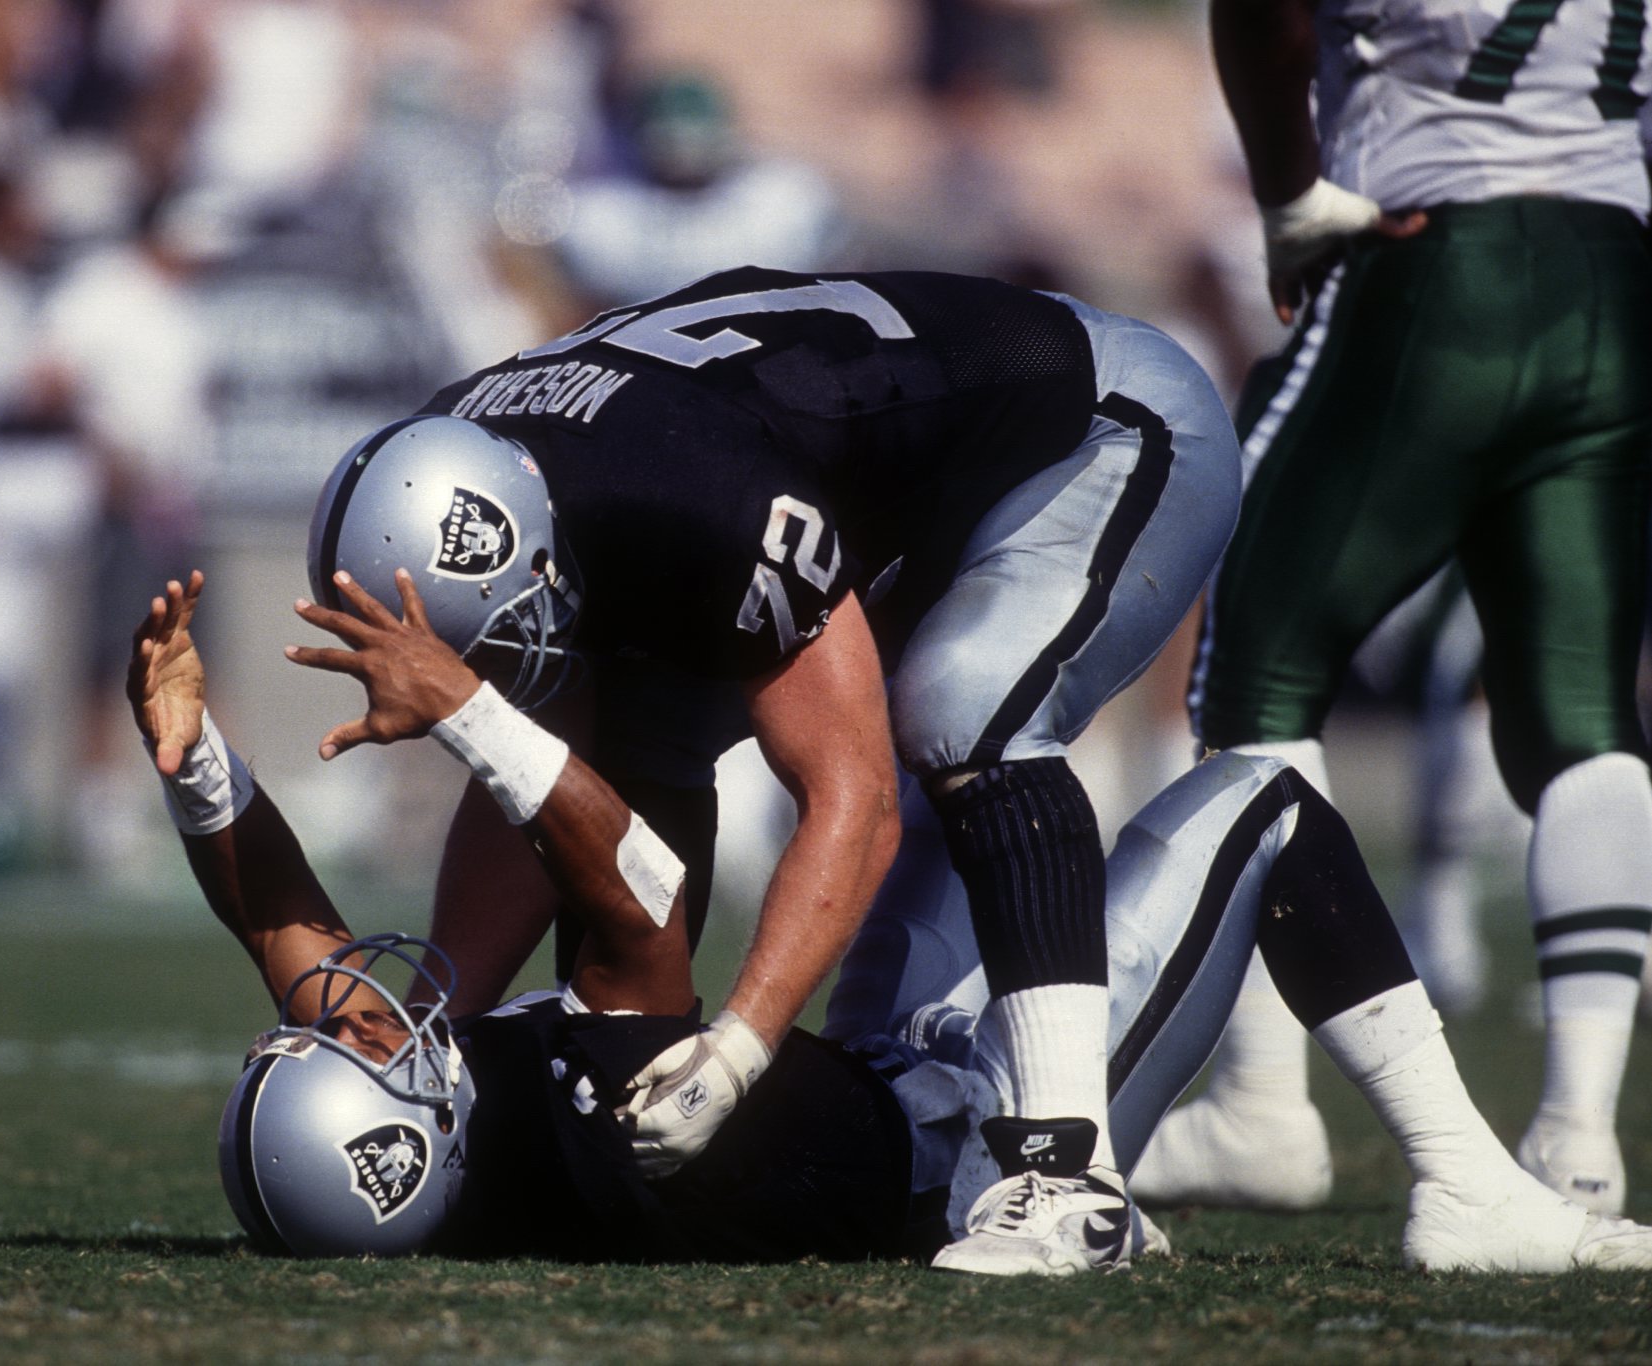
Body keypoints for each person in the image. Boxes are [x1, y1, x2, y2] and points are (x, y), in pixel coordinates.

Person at [131, 570, 1652, 1273]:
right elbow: (641, 886)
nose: (363, 1004)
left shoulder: (447, 1172)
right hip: (986, 1126)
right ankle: (1467, 1184)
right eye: (371, 1046)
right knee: (1257, 800)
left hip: (867, 1069)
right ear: (406, 1137)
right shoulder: (596, 1110)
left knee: (947, 753)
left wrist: (195, 764)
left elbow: (293, 944)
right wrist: (474, 714)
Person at [306, 267, 1246, 1256]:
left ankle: (1065, 1168)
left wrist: (743, 1049)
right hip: (892, 482)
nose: (496, 679)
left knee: (960, 703)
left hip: (1105, 419)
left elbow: (858, 795)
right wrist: (429, 1031)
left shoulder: (691, 491)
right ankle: (642, 1036)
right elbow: (541, 776)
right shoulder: (482, 463)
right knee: (625, 752)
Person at [1138, 0, 1652, 1218]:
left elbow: (1265, 17)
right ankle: (1581, 1138)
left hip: (1430, 252)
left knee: (1250, 669)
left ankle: (1264, 1102)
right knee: (1582, 716)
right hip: (1616, 275)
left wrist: (1286, 195)